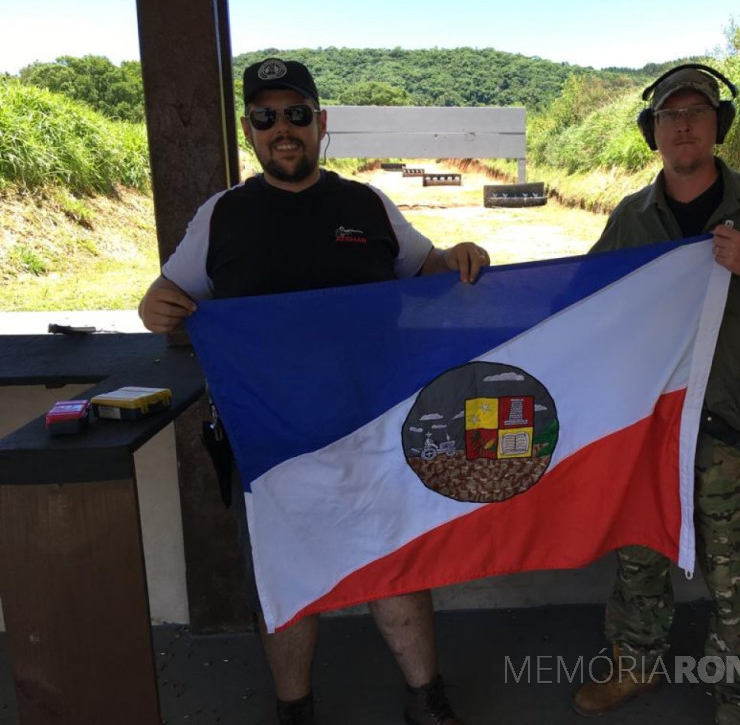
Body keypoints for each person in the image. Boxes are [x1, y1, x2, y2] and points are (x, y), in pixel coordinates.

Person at [139, 57, 486, 725]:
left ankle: (426, 697)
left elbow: (427, 265)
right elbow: (164, 295)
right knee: (285, 580)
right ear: (250, 130)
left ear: (320, 122)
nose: (284, 129)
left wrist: (459, 255)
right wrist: (156, 308)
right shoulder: (222, 215)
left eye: (297, 114)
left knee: (398, 564)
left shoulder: (366, 204)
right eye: (266, 117)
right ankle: (295, 709)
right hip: (268, 439)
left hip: (375, 427)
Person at [571, 64, 740, 724]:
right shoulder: (632, 216)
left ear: (718, 125)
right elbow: (585, 302)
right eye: (669, 114)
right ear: (653, 132)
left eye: (696, 111)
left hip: (725, 420)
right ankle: (637, 662)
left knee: (733, 570)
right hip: (648, 419)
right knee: (637, 554)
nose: (683, 123)